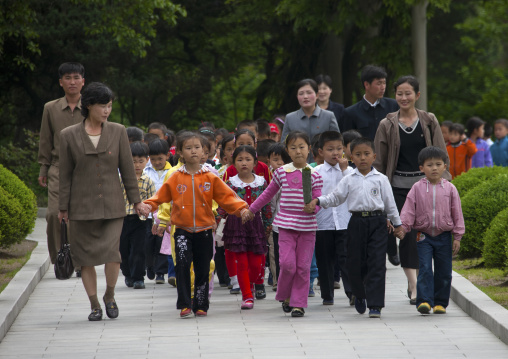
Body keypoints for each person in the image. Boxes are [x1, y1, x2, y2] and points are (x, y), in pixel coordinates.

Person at [139, 132, 250, 318]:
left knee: (203, 268)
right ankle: (184, 303)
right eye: (188, 148)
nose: (193, 151)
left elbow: (227, 197)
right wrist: (147, 206)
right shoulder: (174, 177)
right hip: (182, 230)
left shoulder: (210, 177)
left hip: (205, 230)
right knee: (182, 265)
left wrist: (242, 209)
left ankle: (201, 304)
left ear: (204, 151)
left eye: (197, 147)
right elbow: (161, 197)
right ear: (181, 152)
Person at [58, 82, 142, 321]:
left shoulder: (118, 131)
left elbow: (127, 171)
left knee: (112, 253)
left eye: (110, 106)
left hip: (113, 206)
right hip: (81, 208)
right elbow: (64, 175)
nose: (107, 110)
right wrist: (62, 208)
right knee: (85, 259)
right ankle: (94, 305)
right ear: (88, 106)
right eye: (102, 106)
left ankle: (110, 295)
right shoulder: (68, 135)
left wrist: (136, 202)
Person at [305, 137, 403, 318]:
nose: (363, 158)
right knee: (355, 263)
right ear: (351, 157)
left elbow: (390, 204)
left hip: (378, 223)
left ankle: (375, 305)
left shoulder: (381, 179)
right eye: (358, 155)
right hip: (356, 222)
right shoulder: (348, 179)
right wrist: (319, 200)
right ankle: (359, 294)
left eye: (366, 154)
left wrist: (397, 225)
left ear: (374, 156)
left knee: (377, 264)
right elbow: (335, 197)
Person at [374, 75, 450, 304]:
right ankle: (413, 284)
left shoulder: (429, 120)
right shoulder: (386, 124)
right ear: (394, 96)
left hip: (426, 187)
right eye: (399, 93)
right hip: (397, 187)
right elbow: (379, 162)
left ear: (417, 95)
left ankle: (420, 281)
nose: (403, 97)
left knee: (424, 233)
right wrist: (377, 188)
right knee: (405, 234)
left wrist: (445, 183)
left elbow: (440, 153)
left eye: (408, 93)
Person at [244, 131, 323, 318]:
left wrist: (314, 206)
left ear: (309, 150)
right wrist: (252, 210)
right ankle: (285, 295)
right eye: (293, 148)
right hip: (285, 226)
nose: (298, 151)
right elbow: (267, 194)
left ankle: (298, 304)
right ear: (288, 150)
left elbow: (319, 199)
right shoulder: (281, 172)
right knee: (287, 265)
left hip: (307, 227)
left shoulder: (315, 175)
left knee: (303, 267)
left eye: (302, 147)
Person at [399, 146, 464, 314]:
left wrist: (457, 236)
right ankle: (424, 301)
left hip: (444, 236)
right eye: (429, 165)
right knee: (425, 269)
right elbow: (408, 210)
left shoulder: (450, 189)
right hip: (423, 236)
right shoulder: (417, 188)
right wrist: (404, 228)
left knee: (444, 271)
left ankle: (440, 302)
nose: (434, 168)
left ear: (444, 166)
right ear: (421, 168)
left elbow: (457, 213)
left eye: (438, 164)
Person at [38, 62, 85, 270]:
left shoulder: (92, 106)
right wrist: (43, 168)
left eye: (76, 77)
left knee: (80, 215)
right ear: (60, 82)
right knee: (53, 214)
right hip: (58, 167)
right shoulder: (51, 108)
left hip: (86, 167)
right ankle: (61, 259)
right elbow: (45, 139)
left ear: (83, 81)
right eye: (67, 78)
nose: (72, 82)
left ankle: (79, 259)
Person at [219, 146, 272, 309]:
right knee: (241, 262)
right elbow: (224, 203)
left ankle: (251, 284)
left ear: (255, 162)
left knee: (256, 264)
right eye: (240, 159)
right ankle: (247, 295)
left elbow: (266, 205)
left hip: (256, 225)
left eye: (248, 159)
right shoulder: (230, 183)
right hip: (236, 225)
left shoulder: (262, 182)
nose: (244, 163)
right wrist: (217, 218)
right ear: (233, 163)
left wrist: (268, 224)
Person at [313, 131, 353, 306]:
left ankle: (352, 292)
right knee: (325, 259)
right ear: (321, 151)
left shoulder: (350, 171)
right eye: (330, 149)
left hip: (345, 222)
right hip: (323, 222)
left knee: (346, 259)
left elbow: (352, 189)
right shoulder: (315, 172)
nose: (335, 153)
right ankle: (327, 295)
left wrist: (344, 171)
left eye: (339, 148)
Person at [119, 142, 156, 290]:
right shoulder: (121, 179)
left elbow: (153, 201)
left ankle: (138, 277)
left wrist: (155, 220)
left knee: (139, 250)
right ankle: (127, 273)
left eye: (141, 161)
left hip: (140, 220)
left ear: (147, 160)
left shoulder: (148, 181)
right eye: (133, 161)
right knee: (123, 249)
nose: (137, 165)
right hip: (122, 219)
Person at [280, 79, 339, 159]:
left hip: (323, 166)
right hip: (297, 166)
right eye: (301, 94)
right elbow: (284, 145)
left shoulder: (328, 116)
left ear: (317, 95)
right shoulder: (290, 118)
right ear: (297, 96)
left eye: (309, 93)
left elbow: (337, 142)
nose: (305, 97)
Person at [143, 139, 173, 284]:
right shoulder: (145, 171)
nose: (157, 162)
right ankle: (150, 265)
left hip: (165, 213)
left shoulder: (172, 171)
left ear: (167, 155)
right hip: (149, 214)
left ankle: (160, 272)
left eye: (160, 158)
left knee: (162, 242)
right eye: (153, 159)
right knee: (149, 242)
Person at [343, 65, 399, 141]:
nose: (383, 87)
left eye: (384, 83)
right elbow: (347, 142)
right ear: (366, 85)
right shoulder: (351, 112)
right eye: (379, 83)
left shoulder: (394, 106)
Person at [266, 142, 292, 292]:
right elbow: (270, 202)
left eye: (283, 159)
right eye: (276, 159)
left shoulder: (290, 173)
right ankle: (277, 280)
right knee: (274, 253)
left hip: (290, 220)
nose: (280, 162)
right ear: (268, 160)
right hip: (274, 221)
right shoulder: (268, 175)